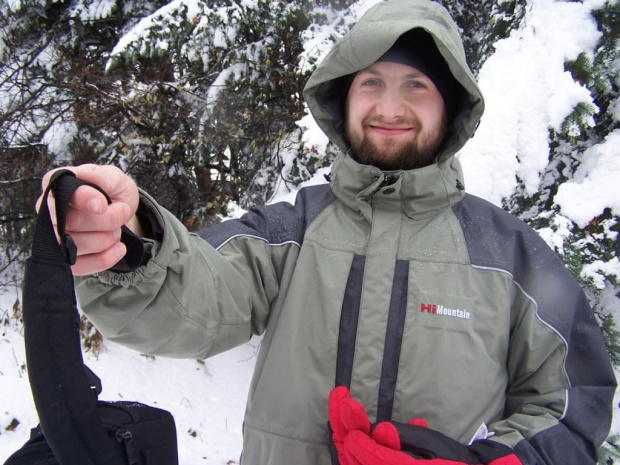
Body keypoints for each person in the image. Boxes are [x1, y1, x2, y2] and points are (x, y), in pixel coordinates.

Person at [39, 0, 615, 464]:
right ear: (344, 99)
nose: (390, 106)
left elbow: (571, 399)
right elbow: (194, 294)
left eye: (416, 84)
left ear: (452, 107)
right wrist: (130, 244)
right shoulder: (291, 231)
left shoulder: (511, 254)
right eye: (372, 83)